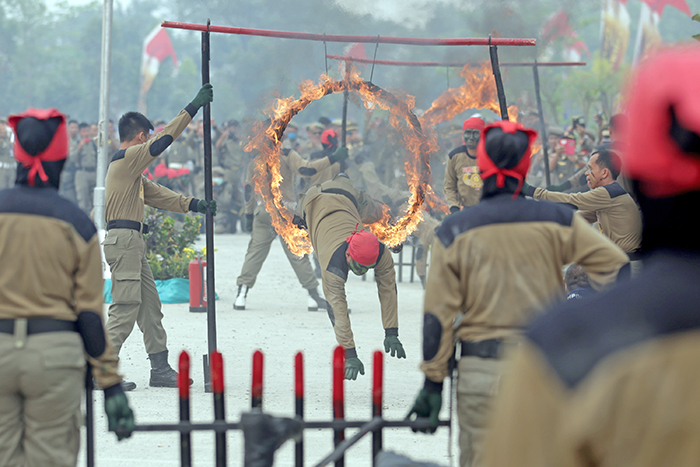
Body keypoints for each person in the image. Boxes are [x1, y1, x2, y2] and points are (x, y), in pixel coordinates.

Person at [482, 45, 700, 467]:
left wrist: (528, 191)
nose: (588, 169)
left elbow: (569, 201)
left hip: (627, 271)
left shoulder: (562, 348)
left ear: (633, 170)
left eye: (593, 165)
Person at [406, 120, 630, 467]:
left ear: (480, 167)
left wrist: (433, 383)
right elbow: (617, 266)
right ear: (524, 169)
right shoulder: (558, 221)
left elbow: (437, 314)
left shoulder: (454, 230)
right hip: (541, 371)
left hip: (479, 370)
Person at [0, 108, 134, 467]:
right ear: (62, 160)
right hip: (54, 358)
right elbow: (89, 313)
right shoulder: (76, 224)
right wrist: (110, 383)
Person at [103, 84, 216, 390]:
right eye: (148, 136)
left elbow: (162, 196)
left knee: (150, 309)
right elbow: (166, 139)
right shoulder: (125, 159)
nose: (149, 140)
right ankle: (101, 372)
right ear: (141, 136)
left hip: (132, 244)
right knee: (125, 308)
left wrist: (196, 205)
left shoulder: (132, 176)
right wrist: (192, 106)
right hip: (124, 242)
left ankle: (160, 369)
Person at [297, 173, 407, 380]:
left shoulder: (380, 252)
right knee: (297, 223)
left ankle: (343, 179)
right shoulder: (333, 266)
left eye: (367, 268)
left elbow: (388, 289)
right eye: (358, 268)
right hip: (312, 202)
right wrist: (350, 354)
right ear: (348, 254)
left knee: (377, 209)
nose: (363, 272)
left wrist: (392, 332)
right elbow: (338, 310)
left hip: (347, 195)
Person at [234, 141, 348, 312]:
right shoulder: (286, 155)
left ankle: (241, 294)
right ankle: (313, 296)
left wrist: (249, 215)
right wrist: (333, 158)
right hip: (286, 211)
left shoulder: (255, 160)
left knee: (254, 253)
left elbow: (248, 190)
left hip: (263, 212)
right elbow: (307, 170)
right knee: (298, 254)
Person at [524, 148, 642, 255]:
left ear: (604, 173)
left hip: (629, 263)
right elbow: (578, 217)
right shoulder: (609, 196)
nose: (586, 173)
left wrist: (530, 190)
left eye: (590, 169)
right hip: (622, 259)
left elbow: (572, 201)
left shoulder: (608, 192)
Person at [444, 117, 485, 213]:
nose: (471, 137)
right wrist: (454, 207)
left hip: (490, 209)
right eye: (468, 133)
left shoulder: (492, 154)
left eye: (475, 133)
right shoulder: (454, 156)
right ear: (463, 135)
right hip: (467, 210)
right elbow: (450, 186)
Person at [0, 117, 13, 190]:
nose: (3, 126)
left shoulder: (11, 137)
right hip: (1, 170)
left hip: (12, 168)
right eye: (1, 124)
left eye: (4, 124)